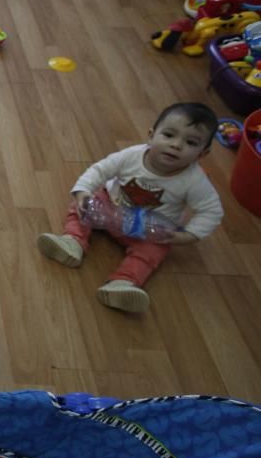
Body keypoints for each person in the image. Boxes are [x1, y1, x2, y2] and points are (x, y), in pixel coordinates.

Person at [37, 102, 224, 314]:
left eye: (190, 142)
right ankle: (72, 242)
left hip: (146, 229)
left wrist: (188, 235)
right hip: (109, 208)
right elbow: (100, 170)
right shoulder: (131, 156)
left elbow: (212, 211)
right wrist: (83, 192)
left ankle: (123, 283)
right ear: (151, 135)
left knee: (153, 252)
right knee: (82, 207)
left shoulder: (195, 181)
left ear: (202, 154)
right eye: (169, 135)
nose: (176, 145)